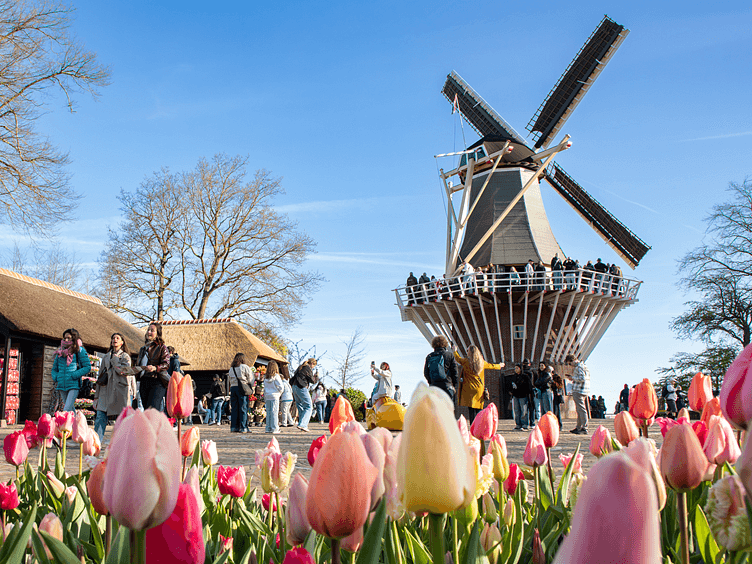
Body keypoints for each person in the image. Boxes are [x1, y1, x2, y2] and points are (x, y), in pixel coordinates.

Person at [93, 333, 132, 443]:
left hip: (119, 392)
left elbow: (125, 371)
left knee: (121, 420)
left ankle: (121, 445)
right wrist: (96, 396)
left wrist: (115, 362)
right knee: (100, 418)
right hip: (105, 391)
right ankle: (96, 444)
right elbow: (100, 376)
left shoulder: (125, 357)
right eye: (113, 338)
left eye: (117, 338)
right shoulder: (105, 356)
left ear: (122, 342)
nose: (114, 339)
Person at [455, 345, 504, 422]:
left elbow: (458, 359)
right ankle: (479, 427)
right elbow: (492, 366)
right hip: (479, 389)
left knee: (471, 410)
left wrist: (455, 351)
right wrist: (500, 365)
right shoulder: (482, 362)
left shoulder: (466, 362)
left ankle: (472, 428)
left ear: (470, 352)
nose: (466, 352)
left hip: (469, 388)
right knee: (479, 410)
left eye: (467, 351)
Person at [51, 328, 92, 413]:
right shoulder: (60, 352)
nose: (66, 340)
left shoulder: (79, 350)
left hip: (73, 384)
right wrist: (56, 377)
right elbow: (54, 369)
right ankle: (78, 425)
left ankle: (69, 425)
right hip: (61, 384)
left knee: (66, 410)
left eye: (68, 338)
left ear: (74, 339)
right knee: (70, 410)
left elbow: (87, 367)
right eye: (64, 338)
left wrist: (74, 375)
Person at [136, 322, 170, 411]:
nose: (149, 332)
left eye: (152, 330)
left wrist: (156, 368)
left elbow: (166, 364)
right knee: (146, 409)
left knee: (153, 409)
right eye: (148, 330)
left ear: (158, 333)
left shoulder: (162, 347)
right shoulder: (143, 349)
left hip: (157, 381)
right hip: (144, 381)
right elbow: (139, 365)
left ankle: (156, 424)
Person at [423, 336, 458, 402]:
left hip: (434, 386)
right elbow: (455, 372)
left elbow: (426, 373)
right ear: (445, 344)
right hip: (447, 386)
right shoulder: (449, 355)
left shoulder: (430, 356)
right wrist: (454, 385)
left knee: (435, 408)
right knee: (448, 408)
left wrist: (431, 382)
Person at [229, 352, 254, 433]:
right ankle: (244, 427)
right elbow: (250, 378)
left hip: (233, 388)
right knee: (243, 408)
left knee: (234, 408)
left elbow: (229, 379)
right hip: (242, 388)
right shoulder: (244, 367)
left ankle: (234, 427)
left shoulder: (231, 368)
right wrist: (250, 385)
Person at [565, 354, 590, 434]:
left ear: (572, 361)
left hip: (578, 390)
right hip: (584, 390)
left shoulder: (578, 367)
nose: (570, 365)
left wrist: (572, 378)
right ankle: (579, 427)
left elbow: (582, 378)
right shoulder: (584, 366)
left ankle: (584, 427)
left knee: (581, 409)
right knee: (579, 409)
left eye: (569, 363)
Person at [291, 358, 318, 432]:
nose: (313, 367)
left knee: (300, 406)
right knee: (309, 406)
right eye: (314, 366)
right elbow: (312, 380)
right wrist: (316, 376)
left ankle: (301, 423)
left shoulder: (301, 367)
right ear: (312, 364)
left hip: (294, 386)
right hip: (301, 387)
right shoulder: (307, 368)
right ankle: (303, 424)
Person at [509, 364, 532, 430]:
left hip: (523, 395)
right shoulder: (514, 377)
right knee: (517, 410)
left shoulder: (525, 376)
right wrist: (511, 391)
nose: (515, 370)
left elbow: (528, 385)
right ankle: (518, 424)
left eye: (517, 368)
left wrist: (526, 392)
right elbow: (510, 384)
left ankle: (525, 424)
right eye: (515, 368)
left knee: (523, 410)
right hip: (516, 395)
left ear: (520, 369)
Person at [263, 360, 284, 434]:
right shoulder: (276, 376)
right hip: (275, 396)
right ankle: (275, 428)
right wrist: (279, 393)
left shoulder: (265, 377)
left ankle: (268, 428)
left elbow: (265, 387)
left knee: (268, 412)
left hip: (267, 396)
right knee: (274, 412)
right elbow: (281, 387)